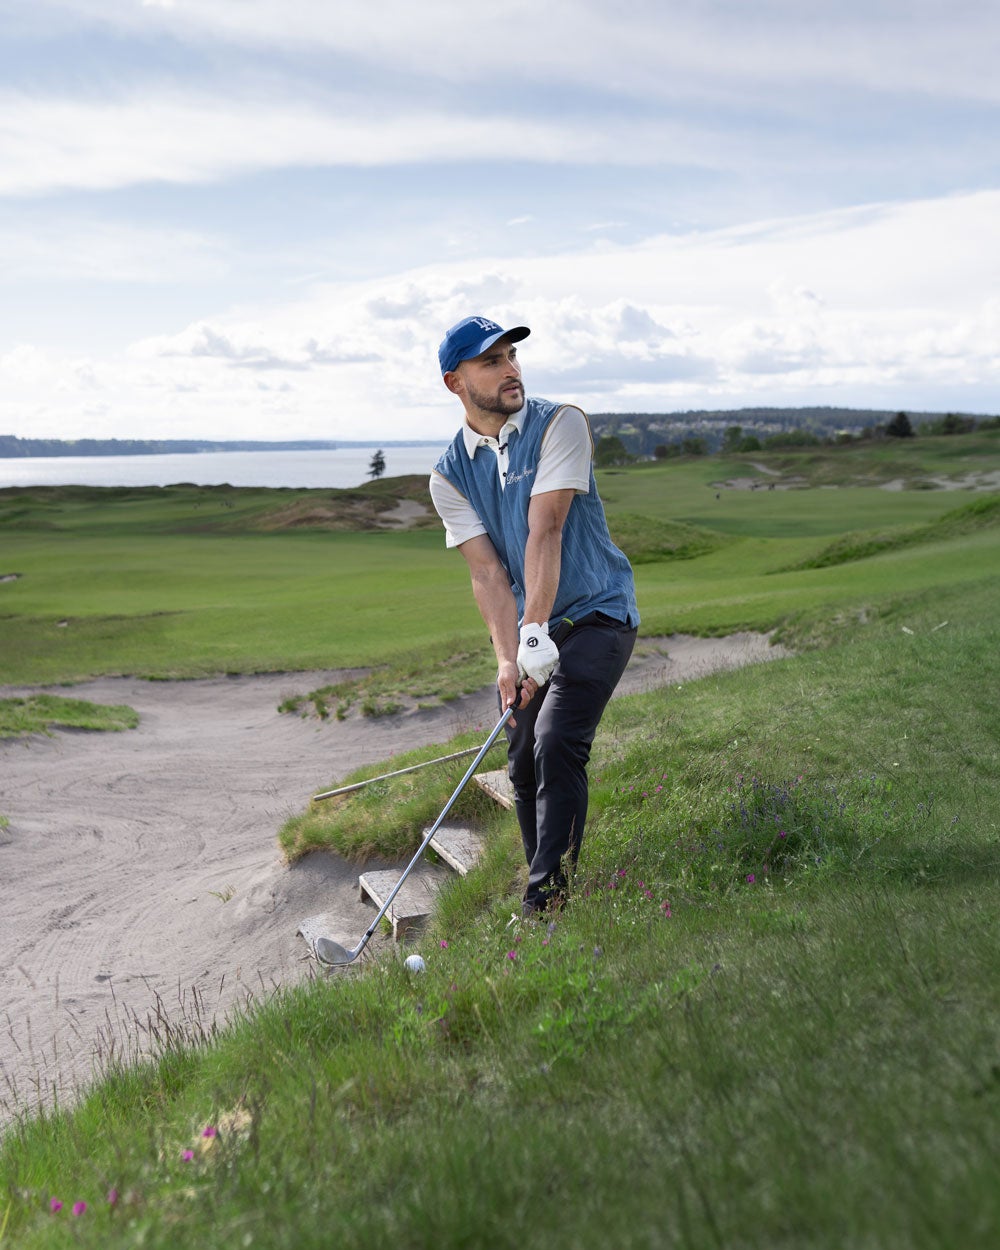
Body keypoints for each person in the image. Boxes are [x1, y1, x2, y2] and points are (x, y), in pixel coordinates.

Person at [429, 316, 639, 916]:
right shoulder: (448, 474)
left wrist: (533, 632)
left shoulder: (560, 423)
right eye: (490, 361)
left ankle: (546, 904)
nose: (510, 369)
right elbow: (488, 575)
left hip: (598, 613)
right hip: (531, 633)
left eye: (511, 356)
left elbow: (546, 529)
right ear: (455, 382)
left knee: (556, 739)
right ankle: (544, 878)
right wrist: (507, 658)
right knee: (521, 758)